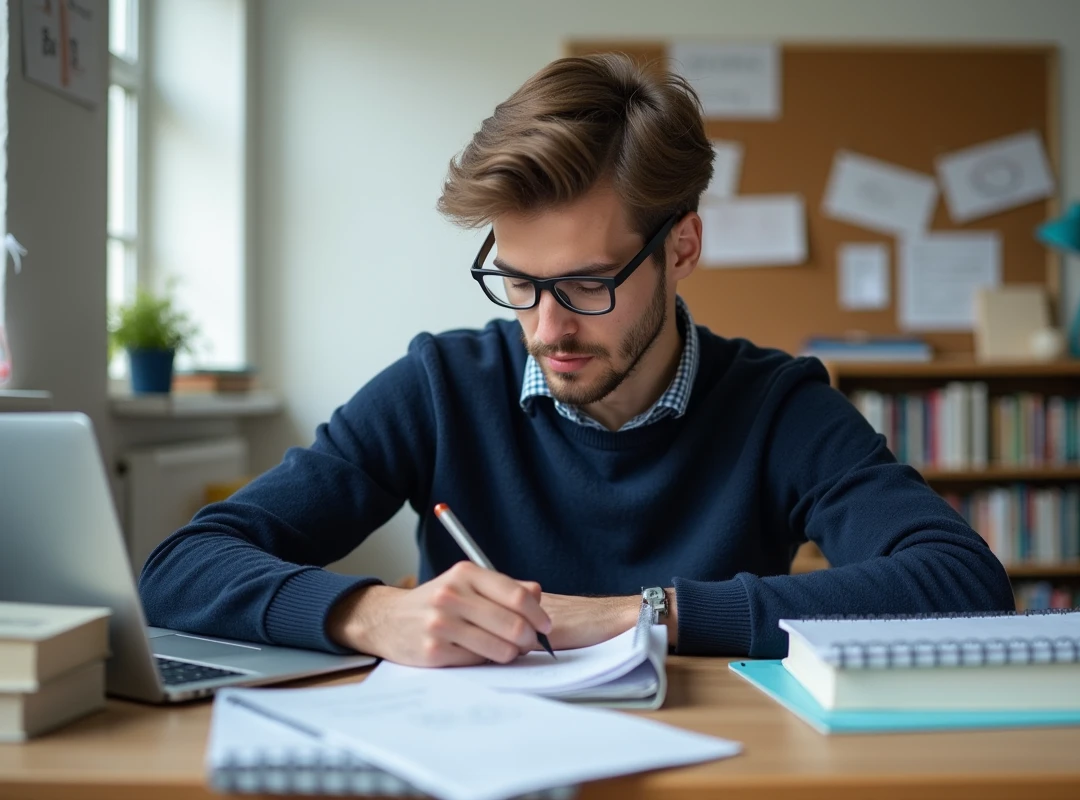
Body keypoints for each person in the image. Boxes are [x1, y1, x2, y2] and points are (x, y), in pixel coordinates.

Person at [138, 53, 1013, 668]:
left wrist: (642, 617)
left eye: (589, 284)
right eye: (518, 281)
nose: (547, 325)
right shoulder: (443, 387)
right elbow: (180, 569)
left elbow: (963, 584)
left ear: (682, 248)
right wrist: (372, 613)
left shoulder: (775, 406)